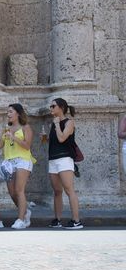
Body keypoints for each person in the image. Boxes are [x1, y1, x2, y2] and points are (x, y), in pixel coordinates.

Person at [0, 103, 36, 230]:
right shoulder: (6, 128)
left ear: (18, 113)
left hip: (22, 160)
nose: (8, 114)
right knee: (12, 192)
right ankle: (25, 212)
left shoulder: (25, 128)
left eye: (11, 112)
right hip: (9, 161)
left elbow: (27, 145)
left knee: (19, 190)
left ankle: (21, 219)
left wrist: (13, 137)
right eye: (7, 112)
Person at [47, 98, 83, 229]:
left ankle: (76, 220)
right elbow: (55, 141)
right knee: (57, 191)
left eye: (53, 106)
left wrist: (57, 125)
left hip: (65, 159)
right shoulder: (54, 123)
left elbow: (62, 138)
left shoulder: (69, 122)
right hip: (53, 159)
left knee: (69, 189)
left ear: (61, 107)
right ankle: (57, 219)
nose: (51, 108)